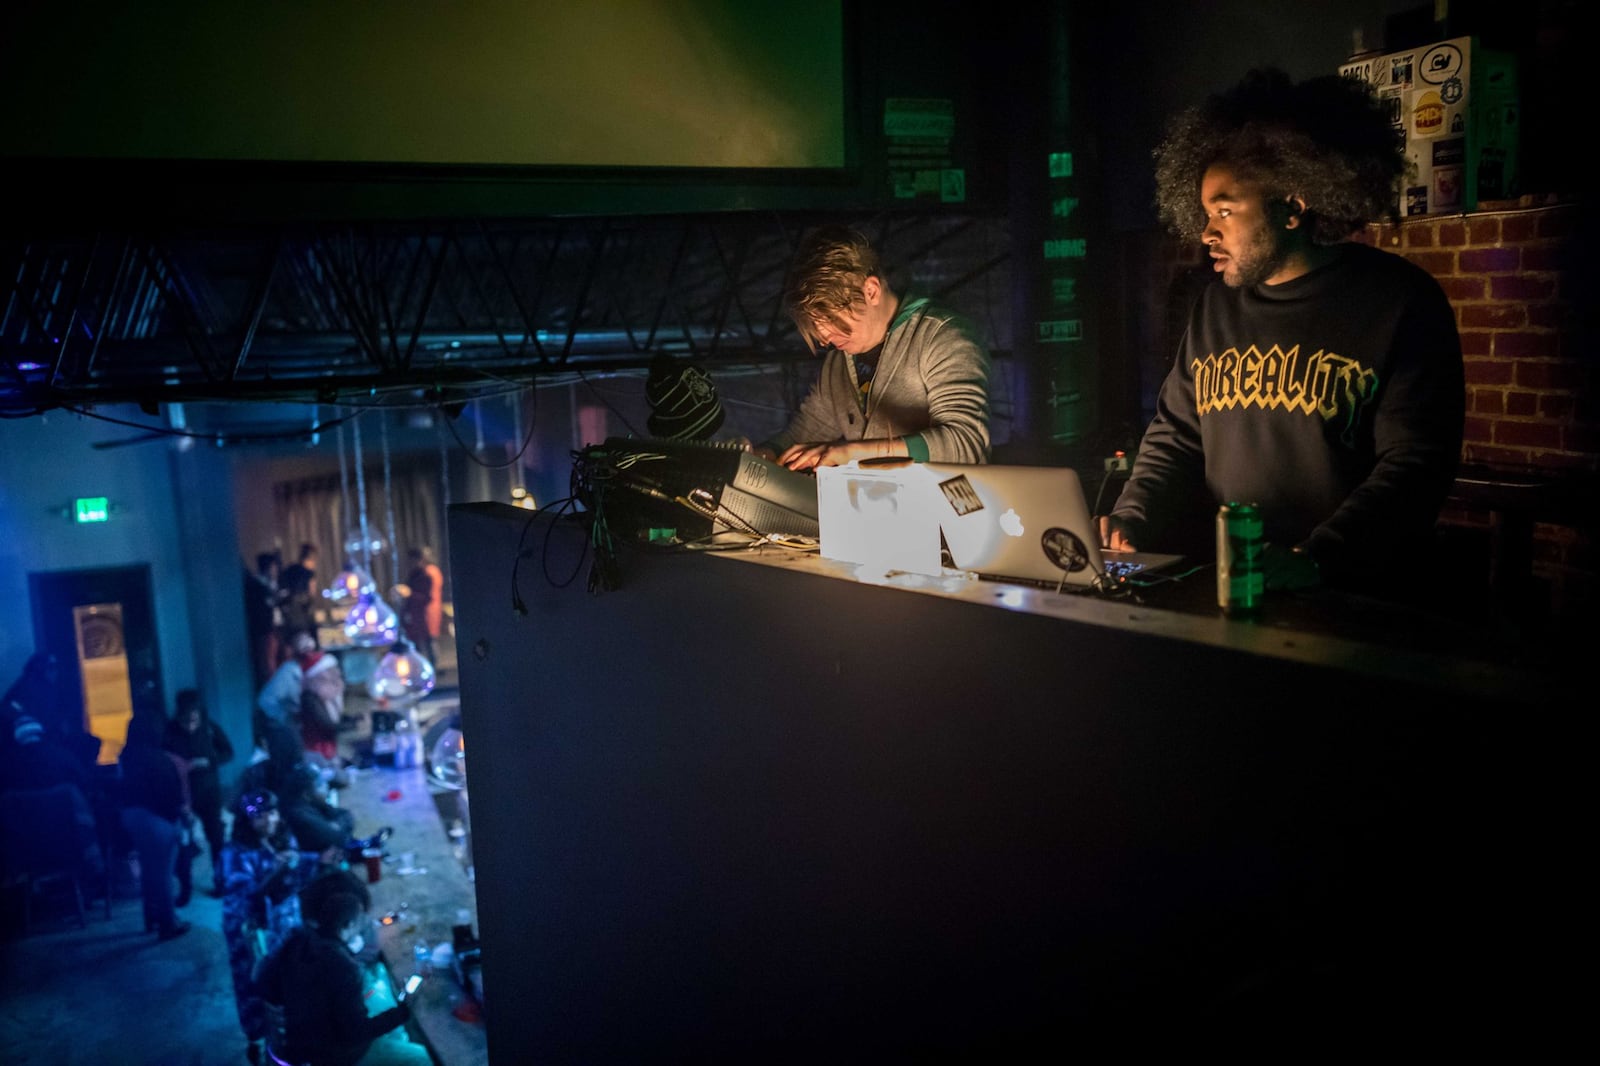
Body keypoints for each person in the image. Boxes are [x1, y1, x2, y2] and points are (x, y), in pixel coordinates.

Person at [1096, 67, 1465, 598]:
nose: (1206, 233)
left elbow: (1415, 464)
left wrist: (1319, 558)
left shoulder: (1400, 301)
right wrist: (1133, 517)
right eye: (1204, 212)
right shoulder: (1214, 308)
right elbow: (1177, 435)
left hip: (1354, 599)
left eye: (1225, 210)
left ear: (1292, 207)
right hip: (1232, 585)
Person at [754, 224, 992, 471]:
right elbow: (806, 429)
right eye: (816, 323)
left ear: (871, 291)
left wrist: (854, 452)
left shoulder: (941, 335)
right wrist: (761, 455)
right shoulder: (838, 361)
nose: (824, 336)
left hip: (942, 506)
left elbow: (966, 443)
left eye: (831, 318)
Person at [221, 787, 338, 1065]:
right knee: (254, 987)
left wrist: (318, 862)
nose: (269, 821)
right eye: (259, 817)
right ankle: (257, 1042)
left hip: (285, 928)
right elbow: (245, 897)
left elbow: (298, 870)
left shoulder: (283, 837)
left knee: (291, 986)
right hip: (250, 934)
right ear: (246, 821)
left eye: (272, 813)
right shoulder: (234, 854)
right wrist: (279, 872)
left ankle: (292, 1045)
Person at [255, 880, 426, 1066]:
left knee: (379, 988)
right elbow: (356, 1033)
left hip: (298, 1046)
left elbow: (263, 980)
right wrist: (403, 1011)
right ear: (348, 925)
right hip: (333, 1057)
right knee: (420, 1056)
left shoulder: (297, 942)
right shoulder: (343, 967)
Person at [115, 711, 191, 940]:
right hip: (157, 821)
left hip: (131, 817)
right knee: (163, 874)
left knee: (149, 869)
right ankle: (168, 924)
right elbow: (171, 797)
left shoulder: (125, 757)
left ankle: (150, 918)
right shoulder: (160, 759)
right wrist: (180, 821)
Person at [162, 688, 235, 898]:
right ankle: (185, 887)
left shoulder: (209, 728)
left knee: (216, 837)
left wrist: (209, 761)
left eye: (194, 716)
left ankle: (221, 882)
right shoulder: (170, 731)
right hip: (183, 793)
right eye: (187, 717)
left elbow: (228, 752)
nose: (191, 722)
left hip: (209, 791)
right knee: (184, 841)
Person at [245, 551, 288, 687]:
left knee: (277, 658)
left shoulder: (270, 584)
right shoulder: (258, 585)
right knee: (268, 661)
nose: (276, 570)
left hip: (274, 627)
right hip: (265, 628)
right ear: (268, 567)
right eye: (274, 567)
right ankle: (273, 687)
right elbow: (264, 605)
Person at [396, 547, 444, 665]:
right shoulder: (418, 572)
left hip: (426, 613)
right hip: (417, 613)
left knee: (429, 642)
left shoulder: (429, 573)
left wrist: (409, 593)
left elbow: (428, 597)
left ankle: (431, 668)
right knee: (419, 643)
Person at [280, 543, 321, 647]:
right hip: (303, 616)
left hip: (289, 616)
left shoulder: (290, 570)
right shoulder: (309, 574)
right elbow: (312, 594)